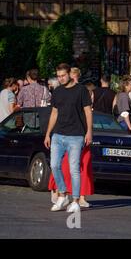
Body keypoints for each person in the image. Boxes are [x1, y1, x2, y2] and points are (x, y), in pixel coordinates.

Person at [44, 63, 93, 213]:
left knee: (74, 169)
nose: (61, 79)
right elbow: (54, 113)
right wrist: (48, 133)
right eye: (58, 76)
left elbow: (87, 112)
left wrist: (89, 131)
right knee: (54, 165)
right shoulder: (57, 91)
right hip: (58, 134)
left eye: (63, 75)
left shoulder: (81, 90)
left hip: (76, 135)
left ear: (70, 74)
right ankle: (63, 194)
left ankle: (76, 200)